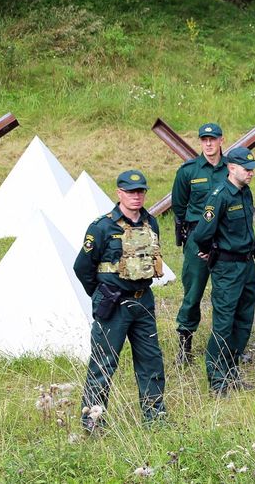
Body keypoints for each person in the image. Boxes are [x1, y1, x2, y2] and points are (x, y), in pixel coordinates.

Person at [73, 170, 167, 432]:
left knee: (151, 361)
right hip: (114, 304)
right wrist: (102, 293)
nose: (136, 196)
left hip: (143, 301)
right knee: (104, 363)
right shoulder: (102, 227)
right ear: (119, 193)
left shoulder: (151, 223)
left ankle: (155, 418)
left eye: (140, 192)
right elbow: (82, 267)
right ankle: (93, 422)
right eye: (130, 192)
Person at [189, 148, 255, 396]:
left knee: (244, 319)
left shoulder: (245, 192)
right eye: (246, 168)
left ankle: (231, 372)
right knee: (224, 322)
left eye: (252, 168)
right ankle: (217, 379)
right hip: (227, 267)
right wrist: (208, 251)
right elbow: (202, 233)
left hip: (247, 263)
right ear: (232, 168)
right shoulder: (220, 195)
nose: (251, 173)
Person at [171, 122, 228, 365]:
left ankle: (227, 344)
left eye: (212, 139)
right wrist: (192, 236)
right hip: (197, 237)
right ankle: (186, 343)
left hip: (225, 237)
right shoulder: (188, 171)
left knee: (226, 292)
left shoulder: (232, 168)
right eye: (204, 139)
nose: (208, 143)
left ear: (221, 140)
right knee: (193, 291)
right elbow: (179, 205)